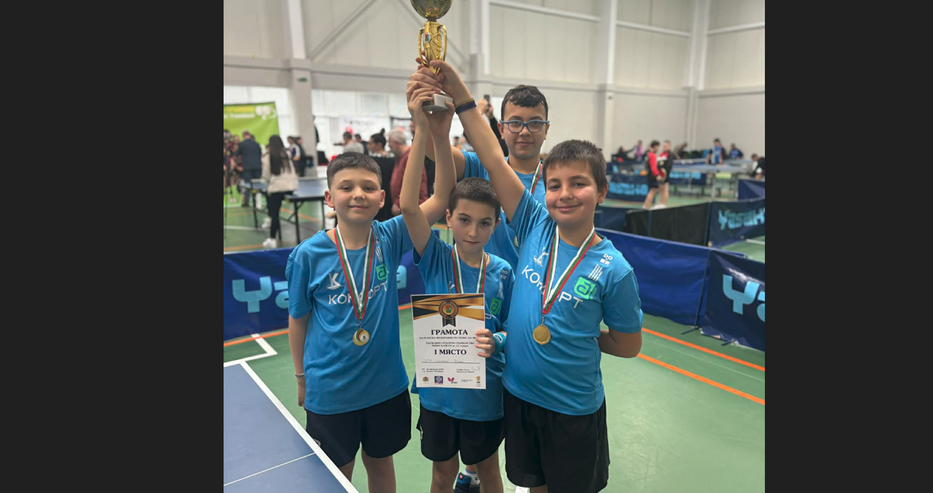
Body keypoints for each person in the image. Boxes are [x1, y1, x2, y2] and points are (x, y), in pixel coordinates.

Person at [422, 58, 643, 493]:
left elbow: (628, 344)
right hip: (520, 394)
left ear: (601, 191)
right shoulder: (535, 222)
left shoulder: (614, 269)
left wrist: (577, 334)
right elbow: (490, 155)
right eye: (555, 186)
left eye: (579, 184)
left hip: (572, 407)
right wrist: (459, 94)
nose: (564, 194)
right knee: (531, 483)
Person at [286, 149, 450, 492]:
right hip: (331, 393)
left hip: (386, 389)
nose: (358, 194)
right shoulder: (307, 255)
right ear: (329, 198)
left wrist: (423, 133)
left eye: (368, 187)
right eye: (346, 187)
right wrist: (301, 378)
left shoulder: (390, 237)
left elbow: (440, 197)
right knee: (335, 476)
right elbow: (298, 321)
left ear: (382, 198)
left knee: (380, 464)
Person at [400, 84, 511, 493]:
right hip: (438, 397)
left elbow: (511, 328)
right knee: (442, 475)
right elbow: (409, 207)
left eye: (484, 223)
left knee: (489, 473)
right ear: (447, 218)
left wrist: (497, 341)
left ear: (495, 225)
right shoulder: (434, 256)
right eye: (463, 220)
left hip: (485, 398)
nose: (473, 231)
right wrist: (422, 130)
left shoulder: (502, 272)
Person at [410, 67, 552, 273]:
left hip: (535, 287)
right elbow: (433, 149)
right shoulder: (481, 166)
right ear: (501, 129)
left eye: (535, 123)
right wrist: (419, 116)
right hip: (481, 286)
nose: (524, 131)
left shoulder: (556, 185)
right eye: (515, 123)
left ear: (546, 129)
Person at [260, 135, 299, 248]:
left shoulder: (267, 156)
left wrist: (270, 182)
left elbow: (266, 176)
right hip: (291, 188)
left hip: (277, 189)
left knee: (274, 214)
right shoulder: (287, 154)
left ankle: (272, 238)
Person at [387, 128, 429, 216]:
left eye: (390, 144)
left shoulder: (410, 157)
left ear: (396, 143)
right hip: (406, 206)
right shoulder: (402, 157)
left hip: (414, 207)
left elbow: (413, 182)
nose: (389, 147)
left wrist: (398, 202)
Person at [235, 131, 263, 207]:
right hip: (257, 167)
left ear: (243, 136)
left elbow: (236, 154)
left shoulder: (242, 144)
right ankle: (258, 203)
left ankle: (247, 202)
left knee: (247, 184)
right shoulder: (256, 144)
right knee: (257, 184)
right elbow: (260, 154)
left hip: (247, 167)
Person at [642, 140, 664, 209]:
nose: (658, 149)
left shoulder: (648, 154)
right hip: (653, 175)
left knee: (652, 191)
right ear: (655, 147)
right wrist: (657, 175)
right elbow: (653, 167)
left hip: (649, 175)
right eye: (658, 147)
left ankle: (646, 206)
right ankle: (646, 207)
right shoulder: (652, 155)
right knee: (652, 191)